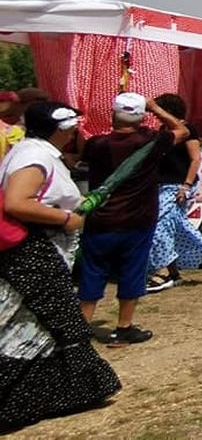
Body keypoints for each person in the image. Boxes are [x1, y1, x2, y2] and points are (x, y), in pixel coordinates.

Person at [0, 102, 122, 428]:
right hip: (33, 254)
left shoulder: (36, 153)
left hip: (40, 253)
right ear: (62, 129)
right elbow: (17, 201)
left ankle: (57, 393)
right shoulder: (34, 157)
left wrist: (82, 204)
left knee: (44, 329)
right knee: (35, 326)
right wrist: (67, 218)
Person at [78, 93, 189, 346]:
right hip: (137, 219)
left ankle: (80, 331)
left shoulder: (96, 144)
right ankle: (123, 328)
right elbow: (181, 130)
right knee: (131, 271)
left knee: (93, 272)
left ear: (113, 115)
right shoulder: (151, 141)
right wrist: (155, 108)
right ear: (141, 117)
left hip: (101, 219)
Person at [144, 94, 202, 293]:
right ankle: (172, 272)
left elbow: (195, 159)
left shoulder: (188, 130)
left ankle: (163, 271)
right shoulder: (164, 131)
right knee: (170, 228)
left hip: (178, 186)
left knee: (160, 226)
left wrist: (186, 185)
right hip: (162, 184)